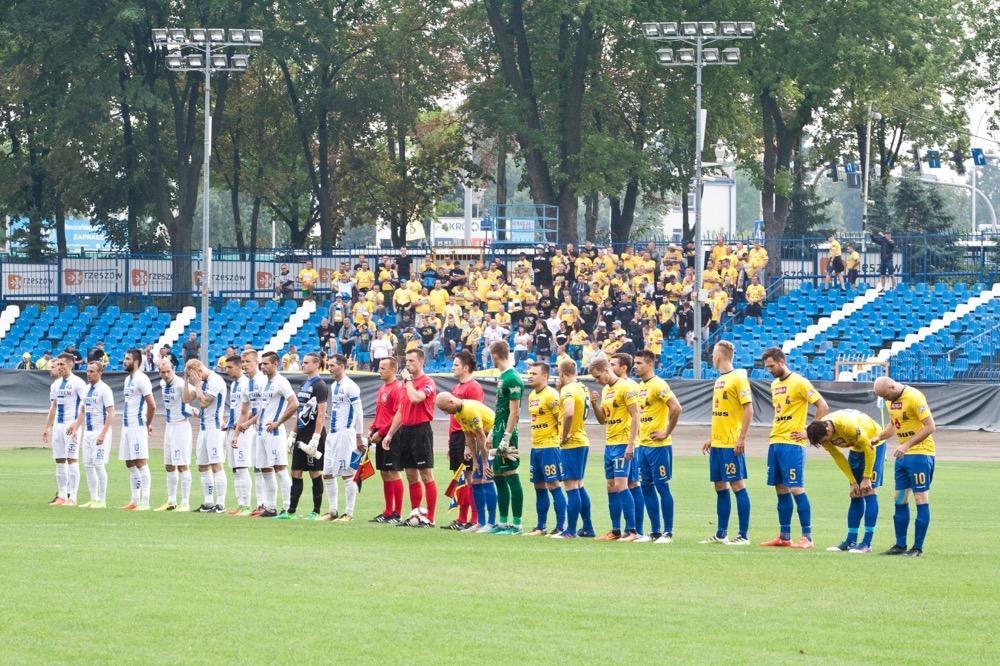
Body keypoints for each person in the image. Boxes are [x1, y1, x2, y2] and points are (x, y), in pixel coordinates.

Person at [759, 347, 828, 549]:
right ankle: (784, 536)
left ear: (782, 362)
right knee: (780, 489)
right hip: (776, 441)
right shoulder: (774, 385)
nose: (769, 370)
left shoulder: (800, 382)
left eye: (771, 366)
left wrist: (809, 431)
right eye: (767, 367)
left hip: (792, 444)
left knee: (796, 488)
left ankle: (807, 537)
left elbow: (822, 406)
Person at [872, 376, 937, 557]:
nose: (885, 399)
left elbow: (930, 427)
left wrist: (907, 444)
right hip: (903, 457)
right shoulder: (890, 402)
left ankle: (917, 548)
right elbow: (894, 425)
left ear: (892, 387)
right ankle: (900, 545)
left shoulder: (915, 397)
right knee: (899, 499)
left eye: (885, 396)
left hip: (921, 454)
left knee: (920, 498)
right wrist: (879, 437)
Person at [806, 409, 884, 553]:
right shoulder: (821, 433)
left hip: (874, 443)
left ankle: (867, 543)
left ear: (828, 429)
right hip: (856, 447)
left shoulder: (847, 426)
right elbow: (838, 456)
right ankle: (850, 541)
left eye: (825, 440)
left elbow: (869, 448)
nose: (826, 443)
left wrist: (866, 477)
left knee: (868, 491)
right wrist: (852, 481)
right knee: (855, 493)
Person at [699, 341, 752, 545]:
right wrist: (712, 437)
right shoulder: (719, 380)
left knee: (737, 485)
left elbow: (748, 409)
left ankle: (743, 535)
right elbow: (720, 411)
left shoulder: (738, 378)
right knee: (720, 486)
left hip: (731, 443)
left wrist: (742, 438)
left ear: (719, 356)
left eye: (713, 353)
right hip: (718, 443)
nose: (712, 357)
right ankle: (721, 534)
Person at [382, 348, 438, 527]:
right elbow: (401, 411)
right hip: (405, 431)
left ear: (421, 362)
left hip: (421, 430)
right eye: (407, 361)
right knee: (411, 475)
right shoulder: (405, 385)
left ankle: (430, 518)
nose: (408, 364)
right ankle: (415, 514)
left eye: (412, 361)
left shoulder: (427, 382)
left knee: (426, 474)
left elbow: (416, 398)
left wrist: (408, 381)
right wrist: (389, 434)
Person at [633, 350, 682, 544]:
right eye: (635, 363)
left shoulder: (659, 384)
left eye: (639, 363)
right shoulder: (640, 386)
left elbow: (676, 407)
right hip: (643, 445)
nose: (635, 366)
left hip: (659, 446)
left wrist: (666, 432)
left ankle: (668, 532)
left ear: (650, 364)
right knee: (646, 486)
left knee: (662, 486)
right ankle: (655, 531)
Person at [589, 357, 639, 542]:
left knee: (621, 484)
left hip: (622, 442)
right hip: (609, 444)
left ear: (606, 370)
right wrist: (594, 404)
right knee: (610, 485)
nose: (597, 380)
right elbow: (603, 420)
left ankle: (632, 530)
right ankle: (616, 530)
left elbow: (636, 415)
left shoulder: (625, 387)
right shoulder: (606, 390)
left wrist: (631, 443)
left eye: (597, 376)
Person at [244, 351, 298, 518]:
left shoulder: (281, 382)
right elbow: (264, 409)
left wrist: (278, 422)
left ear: (275, 364)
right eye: (262, 364)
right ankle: (271, 507)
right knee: (265, 469)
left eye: (266, 364)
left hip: (274, 432)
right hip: (261, 432)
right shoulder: (265, 384)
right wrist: (249, 422)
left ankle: (288, 508)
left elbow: (294, 403)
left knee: (280, 468)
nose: (263, 367)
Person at [435, 392, 498, 533]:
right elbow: (469, 437)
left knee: (486, 479)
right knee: (475, 481)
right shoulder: (458, 414)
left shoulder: (470, 409)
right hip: (485, 442)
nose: (446, 413)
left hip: (494, 438)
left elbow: (481, 436)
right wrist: (475, 462)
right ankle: (480, 522)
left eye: (445, 409)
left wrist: (485, 462)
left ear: (451, 402)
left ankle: (491, 523)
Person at [318, 354, 365, 522]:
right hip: (332, 435)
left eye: (332, 365)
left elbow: (359, 412)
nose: (329, 368)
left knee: (347, 474)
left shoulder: (351, 386)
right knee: (327, 473)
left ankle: (349, 513)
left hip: (346, 435)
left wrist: (359, 436)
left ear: (342, 366)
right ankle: (333, 511)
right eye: (328, 365)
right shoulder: (333, 386)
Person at [551, 359, 594, 539]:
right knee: (579, 485)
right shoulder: (582, 387)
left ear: (562, 373)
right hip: (582, 439)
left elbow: (569, 413)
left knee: (571, 486)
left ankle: (570, 530)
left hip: (572, 442)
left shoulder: (568, 389)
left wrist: (564, 435)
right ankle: (588, 527)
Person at [485, 341, 524, 534]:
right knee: (498, 476)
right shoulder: (503, 378)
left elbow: (514, 412)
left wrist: (506, 437)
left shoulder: (513, 378)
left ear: (494, 355)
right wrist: (492, 433)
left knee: (510, 473)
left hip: (507, 433)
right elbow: (500, 410)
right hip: (499, 430)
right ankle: (502, 523)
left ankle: (516, 524)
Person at [282, 353, 328, 517]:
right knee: (295, 470)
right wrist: (293, 434)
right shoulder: (304, 384)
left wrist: (316, 438)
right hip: (301, 433)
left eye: (307, 362)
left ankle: (316, 511)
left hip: (312, 433)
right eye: (303, 362)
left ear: (316, 364)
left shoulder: (320, 385)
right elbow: (300, 412)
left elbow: (321, 414)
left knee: (314, 472)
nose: (303, 364)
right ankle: (291, 511)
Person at [441, 351, 483, 530]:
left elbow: (475, 417)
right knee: (460, 477)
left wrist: (468, 445)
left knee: (470, 477)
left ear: (466, 368)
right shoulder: (457, 387)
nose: (453, 367)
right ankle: (461, 518)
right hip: (456, 436)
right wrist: (450, 442)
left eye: (456, 365)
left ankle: (474, 519)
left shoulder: (473, 388)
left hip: (467, 437)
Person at [523, 362, 566, 537]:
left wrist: (560, 440)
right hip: (536, 447)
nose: (530, 376)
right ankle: (541, 527)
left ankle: (560, 527)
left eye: (534, 373)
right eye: (529, 373)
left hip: (550, 447)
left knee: (553, 485)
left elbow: (560, 420)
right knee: (538, 486)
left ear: (545, 376)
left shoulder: (552, 395)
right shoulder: (532, 395)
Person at [67, 361, 115, 508]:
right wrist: (75, 428)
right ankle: (93, 498)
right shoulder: (86, 389)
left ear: (100, 373)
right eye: (88, 371)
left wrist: (103, 434)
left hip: (100, 432)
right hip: (88, 433)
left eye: (92, 371)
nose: (88, 374)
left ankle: (102, 500)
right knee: (88, 465)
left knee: (99, 465)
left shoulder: (105, 389)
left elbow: (111, 413)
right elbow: (82, 411)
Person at [183, 359, 229, 513]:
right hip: (204, 428)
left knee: (216, 464)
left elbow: (204, 403)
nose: (193, 379)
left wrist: (196, 385)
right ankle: (208, 502)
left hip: (214, 428)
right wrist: (185, 380)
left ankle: (220, 504)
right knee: (202, 465)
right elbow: (186, 399)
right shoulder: (201, 382)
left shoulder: (216, 381)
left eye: (193, 375)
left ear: (199, 371)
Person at [43, 354, 87, 505]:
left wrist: (76, 425)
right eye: (58, 364)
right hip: (58, 426)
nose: (59, 367)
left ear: (70, 365)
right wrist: (47, 427)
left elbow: (86, 406)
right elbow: (53, 407)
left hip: (71, 426)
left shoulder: (78, 383)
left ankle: (73, 497)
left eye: (62, 364)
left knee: (72, 459)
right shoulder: (55, 384)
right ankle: (62, 496)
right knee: (60, 460)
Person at [153, 359, 195, 512]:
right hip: (169, 426)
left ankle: (185, 503)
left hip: (181, 427)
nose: (166, 375)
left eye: (168, 371)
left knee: (182, 465)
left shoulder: (180, 384)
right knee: (169, 465)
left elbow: (193, 394)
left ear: (174, 370)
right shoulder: (163, 384)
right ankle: (171, 501)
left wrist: (191, 410)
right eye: (163, 372)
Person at [368, 356, 405, 524]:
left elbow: (397, 415)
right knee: (384, 472)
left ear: (393, 370)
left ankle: (397, 513)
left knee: (393, 471)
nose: (379, 371)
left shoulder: (398, 388)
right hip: (380, 433)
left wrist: (382, 433)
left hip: (392, 435)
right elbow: (380, 413)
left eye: (383, 368)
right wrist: (372, 429)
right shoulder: (383, 387)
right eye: (379, 368)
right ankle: (388, 511)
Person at [118, 349, 156, 511]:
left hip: (137, 426)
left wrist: (147, 424)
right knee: (130, 462)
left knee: (140, 462)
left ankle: (145, 501)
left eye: (127, 359)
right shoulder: (128, 379)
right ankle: (134, 500)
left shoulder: (142, 379)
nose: (124, 361)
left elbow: (152, 405)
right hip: (126, 426)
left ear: (136, 361)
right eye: (124, 358)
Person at [222, 354, 255, 516]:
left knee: (242, 468)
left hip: (242, 431)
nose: (227, 370)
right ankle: (240, 505)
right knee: (235, 469)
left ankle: (246, 505)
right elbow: (236, 409)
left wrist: (242, 426)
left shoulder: (247, 384)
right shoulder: (235, 384)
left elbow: (250, 410)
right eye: (226, 368)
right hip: (232, 430)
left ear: (239, 366)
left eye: (230, 367)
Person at [236, 350, 268, 515]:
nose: (244, 364)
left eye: (247, 361)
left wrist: (248, 422)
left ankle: (273, 505)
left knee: (273, 469)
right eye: (243, 361)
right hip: (256, 431)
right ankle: (261, 504)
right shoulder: (245, 384)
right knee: (258, 468)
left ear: (257, 362)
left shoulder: (263, 381)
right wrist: (236, 434)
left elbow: (266, 408)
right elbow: (244, 412)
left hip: (268, 429)